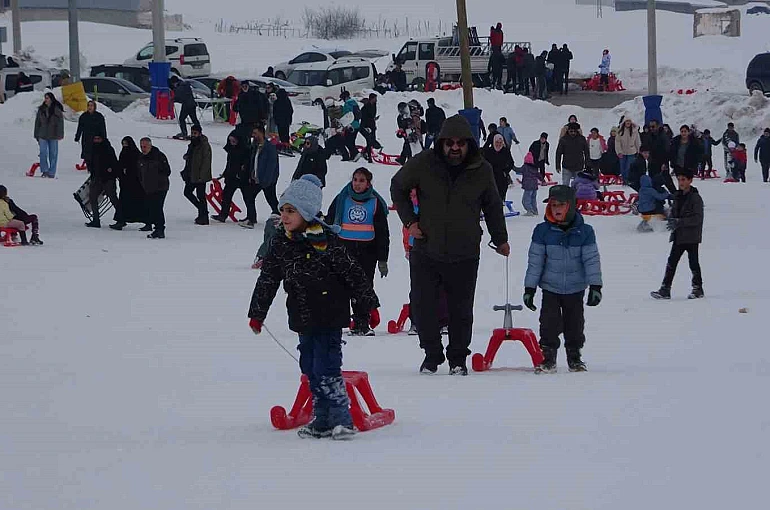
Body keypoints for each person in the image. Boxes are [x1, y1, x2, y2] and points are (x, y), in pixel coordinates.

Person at [247, 174, 379, 440]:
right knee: (309, 368)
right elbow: (268, 278)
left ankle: (341, 419)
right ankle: (322, 420)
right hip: (302, 315)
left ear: (306, 213)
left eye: (291, 211)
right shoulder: (281, 243)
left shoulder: (327, 241)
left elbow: (352, 272)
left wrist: (368, 305)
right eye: (283, 210)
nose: (284, 216)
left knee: (327, 367)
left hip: (330, 315)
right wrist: (257, 314)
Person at [390, 115, 510, 376]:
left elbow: (492, 205)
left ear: (469, 144)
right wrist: (410, 221)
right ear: (442, 143)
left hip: (465, 250)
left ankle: (458, 358)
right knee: (423, 306)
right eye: (450, 143)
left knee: (461, 310)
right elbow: (398, 187)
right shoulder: (424, 163)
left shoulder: (481, 169)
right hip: (426, 248)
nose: (455, 148)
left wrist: (500, 238)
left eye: (460, 143)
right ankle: (431, 355)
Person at [523, 185, 603, 373]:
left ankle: (574, 357)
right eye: (553, 205)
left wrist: (595, 286)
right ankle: (548, 358)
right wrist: (529, 289)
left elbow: (591, 260)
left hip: (575, 288)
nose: (556, 209)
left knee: (575, 324)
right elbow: (535, 262)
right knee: (548, 323)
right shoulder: (542, 231)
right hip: (550, 287)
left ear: (571, 206)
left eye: (561, 205)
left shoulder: (585, 232)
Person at [327, 168, 390, 336]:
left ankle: (362, 322)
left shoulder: (375, 203)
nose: (357, 183)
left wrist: (383, 259)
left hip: (367, 252)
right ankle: (340, 322)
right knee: (341, 286)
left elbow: (383, 233)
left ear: (368, 183)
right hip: (343, 250)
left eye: (361, 180)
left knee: (363, 286)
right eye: (355, 179)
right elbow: (329, 222)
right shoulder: (342, 199)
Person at [651, 169, 704, 300]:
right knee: (672, 262)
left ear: (690, 181)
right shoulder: (678, 196)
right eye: (679, 180)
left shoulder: (695, 198)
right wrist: (670, 219)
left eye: (683, 180)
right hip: (679, 235)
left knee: (693, 262)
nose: (681, 182)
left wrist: (679, 221)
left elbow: (697, 218)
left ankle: (697, 288)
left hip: (691, 236)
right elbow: (675, 213)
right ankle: (665, 289)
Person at [241, 125, 280, 228]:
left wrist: (267, 180)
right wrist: (251, 174)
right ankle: (251, 217)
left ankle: (278, 215)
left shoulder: (269, 147)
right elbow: (254, 161)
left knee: (270, 198)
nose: (253, 135)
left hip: (267, 179)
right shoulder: (255, 146)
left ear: (261, 133)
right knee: (250, 196)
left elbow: (271, 165)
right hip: (256, 178)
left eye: (255, 133)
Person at [212, 130, 250, 223]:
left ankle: (251, 216)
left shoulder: (245, 150)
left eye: (234, 141)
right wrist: (225, 173)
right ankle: (223, 215)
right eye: (230, 141)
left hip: (242, 178)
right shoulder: (231, 150)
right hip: (231, 177)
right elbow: (229, 164)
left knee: (247, 198)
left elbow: (246, 164)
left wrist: (241, 173)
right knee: (226, 196)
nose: (232, 143)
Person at [138, 137, 171, 239]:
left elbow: (167, 171)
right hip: (148, 187)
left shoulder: (159, 156)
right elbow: (139, 172)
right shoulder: (141, 157)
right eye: (141, 147)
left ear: (150, 146)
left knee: (157, 208)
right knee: (152, 208)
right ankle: (157, 228)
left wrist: (157, 175)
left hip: (160, 187)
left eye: (145, 147)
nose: (143, 149)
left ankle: (160, 229)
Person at [85, 134, 121, 229]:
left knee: (113, 198)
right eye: (95, 138)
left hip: (108, 178)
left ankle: (121, 219)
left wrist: (111, 171)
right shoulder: (93, 149)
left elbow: (114, 163)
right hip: (96, 178)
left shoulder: (108, 149)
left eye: (98, 139)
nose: (96, 140)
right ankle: (96, 220)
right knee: (92, 198)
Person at [111, 136, 146, 230]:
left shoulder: (136, 154)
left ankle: (148, 222)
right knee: (123, 203)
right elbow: (120, 165)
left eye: (126, 144)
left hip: (135, 184)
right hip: (125, 183)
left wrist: (128, 171)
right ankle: (120, 221)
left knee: (140, 203)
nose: (125, 146)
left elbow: (138, 168)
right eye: (123, 144)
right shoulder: (123, 153)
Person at [181, 125, 212, 225]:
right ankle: (202, 212)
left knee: (200, 196)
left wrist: (201, 176)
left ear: (200, 133)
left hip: (200, 175)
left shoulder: (204, 145)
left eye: (195, 133)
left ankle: (203, 216)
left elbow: (206, 161)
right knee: (188, 192)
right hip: (191, 173)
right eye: (192, 133)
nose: (193, 135)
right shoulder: (192, 144)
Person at [34, 92, 64, 178]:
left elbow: (60, 123)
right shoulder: (41, 109)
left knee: (53, 154)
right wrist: (36, 134)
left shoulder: (57, 110)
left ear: (51, 99)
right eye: (45, 98)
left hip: (53, 135)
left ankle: (52, 172)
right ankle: (45, 170)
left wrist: (60, 134)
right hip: (42, 134)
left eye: (47, 98)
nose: (46, 100)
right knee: (43, 152)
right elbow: (37, 122)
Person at [642, 118, 675, 193]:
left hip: (662, 162)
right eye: (650, 127)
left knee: (667, 181)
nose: (651, 128)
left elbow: (667, 151)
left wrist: (665, 163)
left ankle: (676, 196)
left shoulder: (663, 136)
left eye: (653, 126)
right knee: (653, 182)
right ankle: (656, 197)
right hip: (652, 163)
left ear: (658, 126)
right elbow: (646, 147)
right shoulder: (649, 136)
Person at [74, 101, 107, 171]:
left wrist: (104, 138)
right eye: (88, 105)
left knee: (96, 153)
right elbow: (80, 127)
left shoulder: (99, 116)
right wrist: (77, 137)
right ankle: (89, 168)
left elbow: (103, 128)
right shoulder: (83, 116)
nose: (90, 107)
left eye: (91, 105)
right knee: (87, 154)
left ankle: (96, 167)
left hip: (96, 138)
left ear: (94, 107)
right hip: (86, 138)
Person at [555, 122, 590, 187]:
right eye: (571, 131)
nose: (573, 133)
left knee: (578, 186)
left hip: (579, 166)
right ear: (568, 131)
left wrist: (587, 164)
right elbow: (558, 153)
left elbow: (587, 152)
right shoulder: (563, 139)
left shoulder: (582, 139)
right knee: (565, 186)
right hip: (567, 166)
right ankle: (566, 193)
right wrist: (557, 165)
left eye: (575, 131)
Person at [484, 133, 515, 203]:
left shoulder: (505, 151)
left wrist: (505, 172)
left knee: (500, 199)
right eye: (497, 142)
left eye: (500, 142)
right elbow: (484, 163)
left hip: (502, 178)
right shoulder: (488, 151)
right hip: (490, 178)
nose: (498, 144)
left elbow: (511, 163)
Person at [169, 76, 199, 140]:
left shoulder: (179, 88)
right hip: (192, 104)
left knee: (181, 119)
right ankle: (199, 132)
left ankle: (184, 133)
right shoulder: (185, 85)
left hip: (186, 105)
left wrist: (173, 99)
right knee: (194, 119)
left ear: (174, 82)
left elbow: (179, 97)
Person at [616, 118, 641, 183]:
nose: (628, 122)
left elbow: (637, 141)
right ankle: (624, 179)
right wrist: (619, 152)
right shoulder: (620, 131)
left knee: (629, 167)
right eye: (627, 121)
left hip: (632, 151)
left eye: (629, 121)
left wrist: (638, 150)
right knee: (622, 166)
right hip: (622, 152)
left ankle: (628, 179)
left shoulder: (634, 131)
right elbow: (617, 142)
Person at [340, 90, 361, 160]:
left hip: (351, 126)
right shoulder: (354, 103)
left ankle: (356, 153)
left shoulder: (347, 104)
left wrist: (346, 125)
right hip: (357, 124)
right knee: (352, 141)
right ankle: (352, 156)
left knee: (347, 142)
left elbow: (347, 116)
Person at [359, 93, 381, 162]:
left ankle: (365, 152)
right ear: (371, 99)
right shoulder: (365, 108)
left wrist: (374, 119)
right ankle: (369, 156)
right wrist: (365, 127)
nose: (376, 100)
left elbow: (371, 116)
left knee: (371, 141)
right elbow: (364, 118)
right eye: (375, 98)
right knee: (369, 141)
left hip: (372, 126)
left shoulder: (374, 105)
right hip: (366, 127)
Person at [519, 152, 540, 216]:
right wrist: (542, 180)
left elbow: (518, 170)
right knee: (533, 199)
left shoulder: (525, 167)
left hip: (528, 186)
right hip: (534, 186)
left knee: (525, 200)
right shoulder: (534, 168)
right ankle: (535, 211)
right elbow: (539, 175)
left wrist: (512, 166)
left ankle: (530, 211)